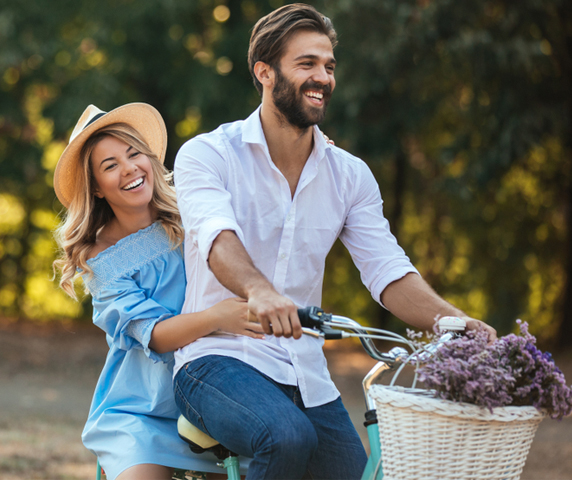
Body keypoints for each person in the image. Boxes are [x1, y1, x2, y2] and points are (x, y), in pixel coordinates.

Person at [172, 4, 497, 480]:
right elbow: (217, 237)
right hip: (216, 360)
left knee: (361, 473)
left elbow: (388, 271)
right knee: (286, 438)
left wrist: (453, 320)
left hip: (304, 371)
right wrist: (259, 291)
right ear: (265, 72)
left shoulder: (350, 175)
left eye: (328, 66)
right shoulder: (208, 154)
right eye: (306, 64)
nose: (322, 77)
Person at [51, 103, 264, 480]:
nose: (130, 168)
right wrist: (218, 318)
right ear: (96, 188)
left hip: (212, 393)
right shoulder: (103, 259)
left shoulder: (192, 213)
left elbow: (257, 193)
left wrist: (303, 152)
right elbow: (156, 334)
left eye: (134, 154)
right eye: (110, 165)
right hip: (142, 409)